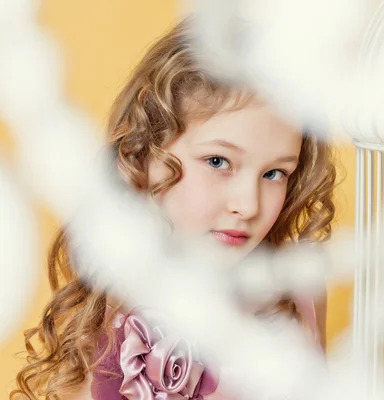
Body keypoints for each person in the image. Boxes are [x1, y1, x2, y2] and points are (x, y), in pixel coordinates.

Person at [12, 15, 336, 400]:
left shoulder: (299, 296)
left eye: (275, 173)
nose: (248, 205)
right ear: (149, 148)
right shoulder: (109, 317)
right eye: (218, 161)